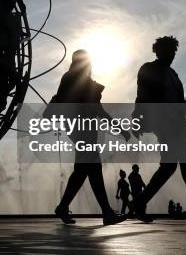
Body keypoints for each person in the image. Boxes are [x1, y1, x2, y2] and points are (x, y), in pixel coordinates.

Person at [131, 36, 186, 223]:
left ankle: (140, 202)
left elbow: (180, 104)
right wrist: (137, 118)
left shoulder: (174, 75)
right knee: (185, 159)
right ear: (157, 51)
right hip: (162, 124)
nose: (171, 55)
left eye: (173, 52)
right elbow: (141, 96)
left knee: (170, 166)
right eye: (168, 51)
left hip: (176, 126)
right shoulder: (149, 69)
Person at [51, 50, 128, 226]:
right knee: (92, 168)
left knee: (83, 171)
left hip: (77, 128)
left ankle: (63, 207)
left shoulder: (68, 78)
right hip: (83, 129)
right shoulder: (81, 81)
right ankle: (107, 213)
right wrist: (118, 127)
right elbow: (97, 109)